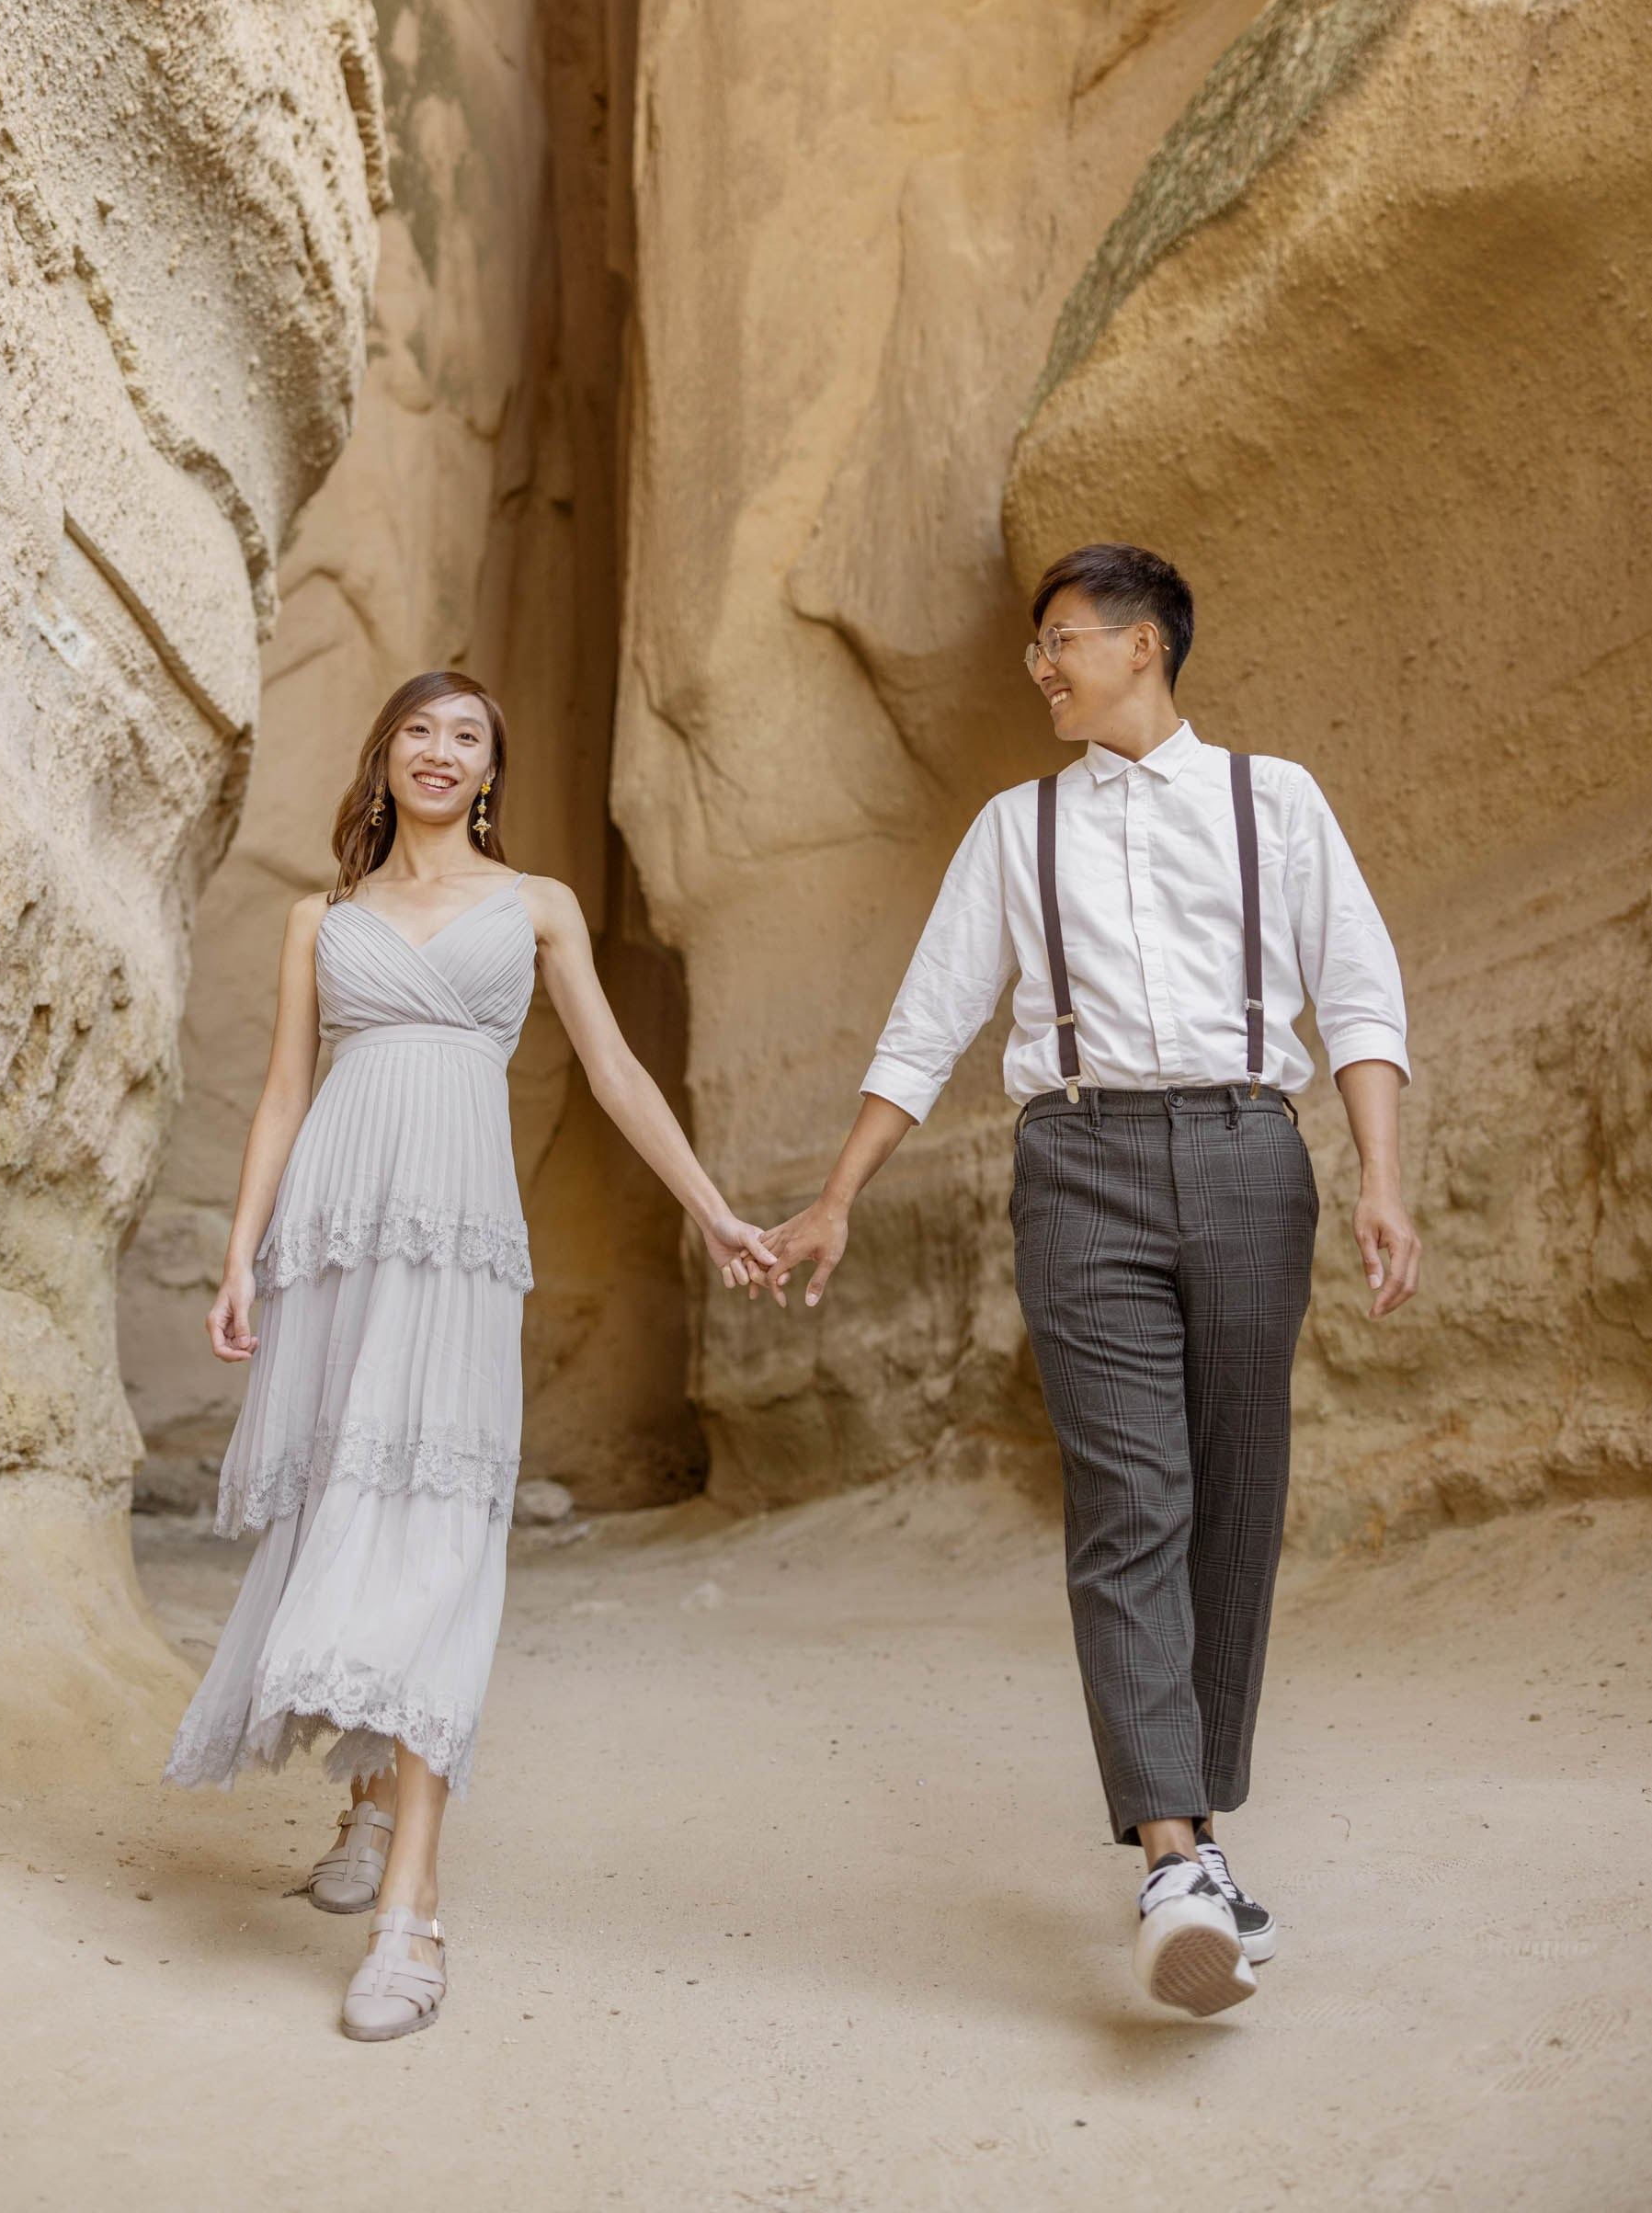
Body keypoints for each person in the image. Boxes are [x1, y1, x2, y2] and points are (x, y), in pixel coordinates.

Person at [760, 543, 1419, 2018]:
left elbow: (1358, 989)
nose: (1039, 667)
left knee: (1235, 1491)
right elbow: (928, 1018)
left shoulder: (1275, 800)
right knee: (1129, 1497)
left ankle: (1199, 1828)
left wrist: (1379, 1177)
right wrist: (837, 1195)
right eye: (1036, 644)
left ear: (1141, 645)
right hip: (1078, 1168)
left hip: (1250, 1153)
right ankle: (1171, 1860)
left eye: (1059, 640)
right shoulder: (1014, 828)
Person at [165, 669, 772, 2042]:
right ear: (382, 758)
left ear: (490, 771)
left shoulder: (536, 904)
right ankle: (368, 1802)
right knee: (345, 1500)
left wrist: (712, 1209)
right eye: (417, 732)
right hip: (337, 1236)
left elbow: (615, 1073)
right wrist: (241, 1251)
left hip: (457, 1244)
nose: (439, 752)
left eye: (466, 738)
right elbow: (283, 1092)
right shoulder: (320, 921)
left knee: (437, 1524)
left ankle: (412, 1910)